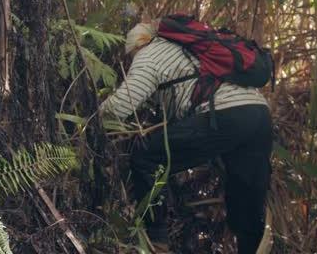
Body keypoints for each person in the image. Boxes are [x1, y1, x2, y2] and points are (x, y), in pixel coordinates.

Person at [102, 18, 273, 253]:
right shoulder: (188, 48)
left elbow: (119, 107)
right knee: (245, 197)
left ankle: (157, 239)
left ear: (136, 47)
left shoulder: (149, 54)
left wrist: (90, 120)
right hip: (260, 114)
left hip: (225, 114)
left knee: (147, 157)